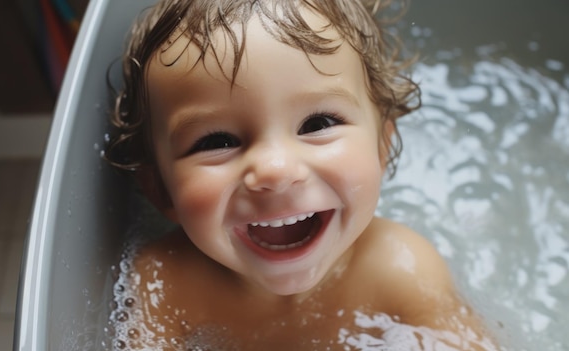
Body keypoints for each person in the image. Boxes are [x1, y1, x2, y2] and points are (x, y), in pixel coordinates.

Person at [106, 0, 497, 349]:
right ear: (160, 190)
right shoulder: (164, 283)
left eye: (317, 123)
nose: (276, 170)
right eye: (217, 140)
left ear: (381, 147)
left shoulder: (400, 268)